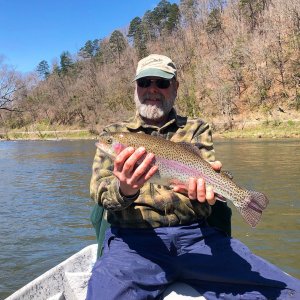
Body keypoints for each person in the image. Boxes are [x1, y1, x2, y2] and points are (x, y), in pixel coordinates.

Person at [87, 54, 300, 299]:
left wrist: (204, 195)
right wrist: (125, 188)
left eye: (162, 83)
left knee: (290, 292)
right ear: (136, 88)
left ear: (175, 87)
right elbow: (100, 192)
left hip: (198, 238)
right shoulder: (114, 133)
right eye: (145, 83)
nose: (152, 89)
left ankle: (243, 199)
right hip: (134, 245)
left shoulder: (197, 128)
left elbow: (208, 179)